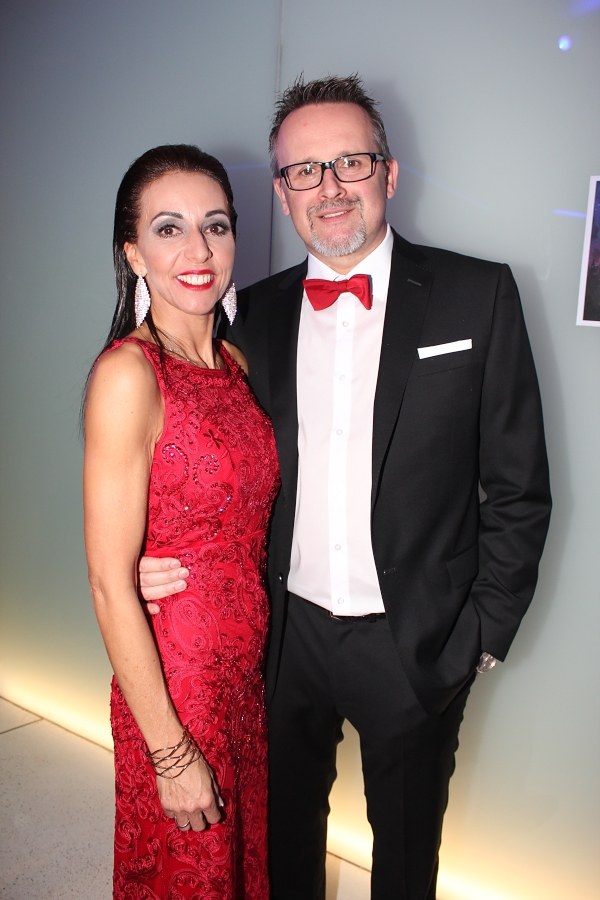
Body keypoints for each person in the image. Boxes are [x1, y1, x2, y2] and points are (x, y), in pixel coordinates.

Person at [140, 76, 552, 900]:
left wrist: (482, 633)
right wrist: (152, 554)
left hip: (418, 641)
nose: (328, 187)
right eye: (305, 170)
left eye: (350, 163)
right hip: (283, 637)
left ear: (388, 173)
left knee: (405, 860)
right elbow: (190, 443)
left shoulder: (479, 294)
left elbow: (519, 486)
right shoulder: (247, 314)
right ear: (282, 192)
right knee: (282, 849)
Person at [83, 144, 279, 899]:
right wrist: (169, 752)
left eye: (215, 226)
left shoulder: (236, 365)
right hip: (177, 685)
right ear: (133, 253)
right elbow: (109, 582)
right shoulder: (129, 374)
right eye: (169, 229)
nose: (198, 250)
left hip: (243, 681)